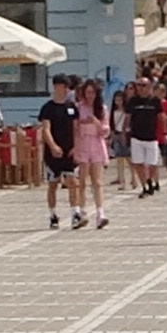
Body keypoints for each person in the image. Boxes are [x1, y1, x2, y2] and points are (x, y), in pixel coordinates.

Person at [41, 83, 86, 228]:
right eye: (63, 86)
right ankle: (53, 215)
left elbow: (76, 128)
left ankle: (76, 213)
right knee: (53, 184)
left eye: (68, 87)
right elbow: (46, 129)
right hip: (53, 152)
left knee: (73, 182)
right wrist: (53, 145)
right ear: (55, 87)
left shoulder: (71, 107)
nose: (66, 90)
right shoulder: (48, 108)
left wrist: (76, 146)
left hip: (69, 151)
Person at [73, 78, 115, 228]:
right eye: (87, 92)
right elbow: (75, 129)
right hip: (83, 143)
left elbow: (105, 131)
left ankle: (100, 212)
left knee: (97, 181)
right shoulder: (79, 108)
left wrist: (95, 121)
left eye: (92, 92)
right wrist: (75, 148)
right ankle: (82, 211)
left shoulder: (102, 109)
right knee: (83, 181)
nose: (89, 95)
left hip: (96, 144)